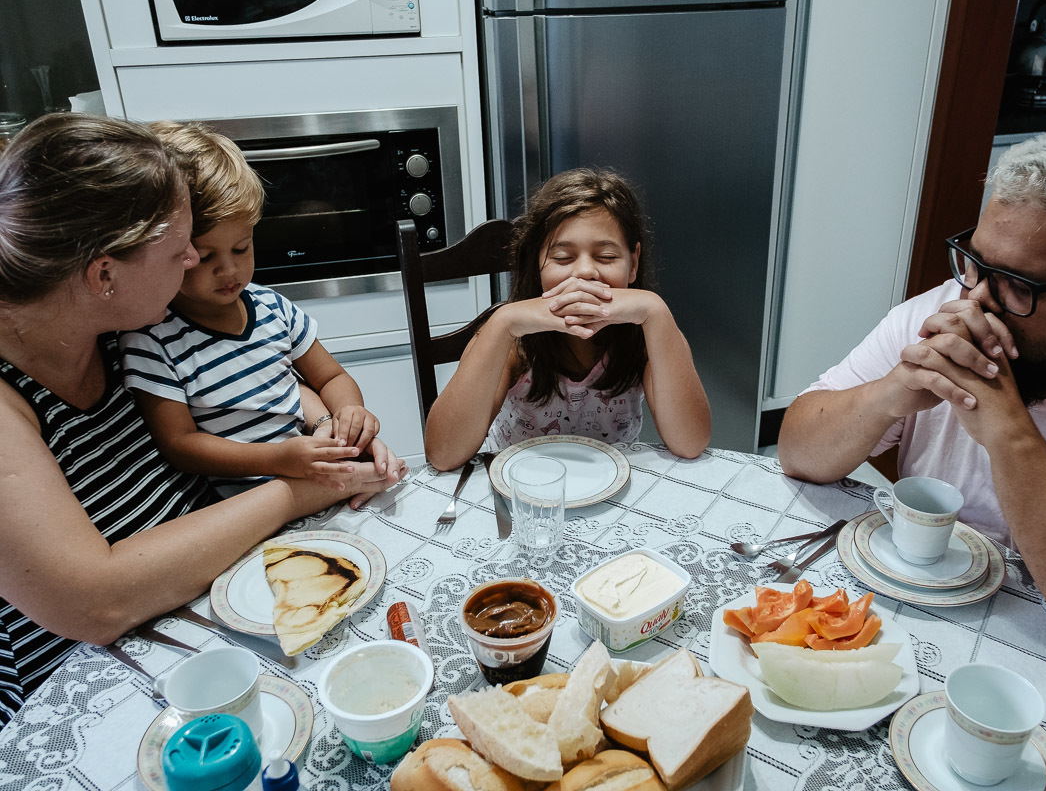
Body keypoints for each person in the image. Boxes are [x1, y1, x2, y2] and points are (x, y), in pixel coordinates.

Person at [0, 113, 401, 726]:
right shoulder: (27, 390)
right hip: (87, 682)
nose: (194, 261)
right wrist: (300, 486)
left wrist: (326, 423)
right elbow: (96, 604)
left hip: (214, 597)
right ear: (104, 273)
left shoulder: (117, 322)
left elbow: (262, 379)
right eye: (180, 250)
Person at [778, 128, 1046, 695]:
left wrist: (1011, 435)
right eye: (974, 263)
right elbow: (798, 452)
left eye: (1018, 285)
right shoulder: (959, 304)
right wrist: (891, 393)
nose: (975, 301)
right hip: (940, 615)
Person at [120, 121, 405, 498]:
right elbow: (181, 445)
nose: (229, 270)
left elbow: (331, 378)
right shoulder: (152, 337)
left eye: (242, 248)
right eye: (205, 258)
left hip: (310, 484)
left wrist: (347, 415)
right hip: (245, 510)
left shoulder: (271, 307)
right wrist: (275, 458)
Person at [423, 168, 710, 470]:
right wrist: (503, 322)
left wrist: (656, 311)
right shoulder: (512, 342)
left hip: (612, 494)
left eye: (607, 257)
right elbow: (443, 454)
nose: (584, 272)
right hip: (523, 495)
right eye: (562, 258)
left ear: (633, 262)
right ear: (537, 264)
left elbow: (690, 443)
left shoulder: (647, 337)